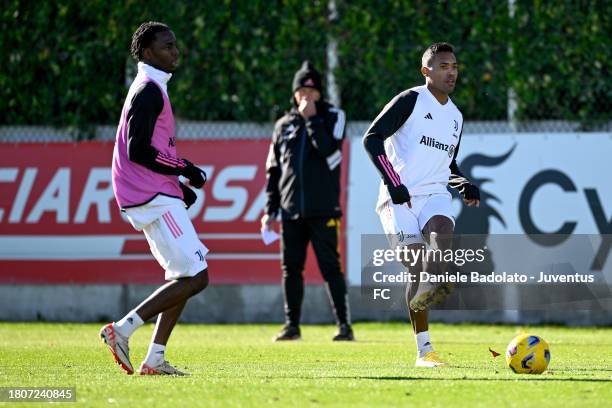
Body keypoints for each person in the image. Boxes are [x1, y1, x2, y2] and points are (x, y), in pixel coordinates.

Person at [100, 21, 209, 376]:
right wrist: (185, 169)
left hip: (152, 192)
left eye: (175, 45)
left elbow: (147, 150)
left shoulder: (151, 86)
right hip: (150, 194)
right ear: (147, 53)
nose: (174, 52)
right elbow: (139, 150)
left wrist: (179, 185)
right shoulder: (148, 89)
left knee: (183, 276)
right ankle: (123, 328)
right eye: (166, 46)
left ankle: (155, 359)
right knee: (197, 276)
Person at [362, 43, 480, 367]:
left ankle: (437, 278)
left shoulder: (456, 116)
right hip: (397, 200)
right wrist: (392, 182)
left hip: (434, 195)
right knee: (416, 267)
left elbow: (448, 165)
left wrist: (463, 184)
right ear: (426, 71)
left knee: (443, 229)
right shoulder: (411, 101)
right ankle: (424, 350)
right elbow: (371, 138)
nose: (451, 71)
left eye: (454, 65)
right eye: (443, 66)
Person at [262, 60, 353, 341]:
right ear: (294, 94)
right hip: (291, 212)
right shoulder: (283, 126)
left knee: (330, 268)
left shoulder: (334, 117)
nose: (307, 96)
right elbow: (273, 171)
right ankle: (292, 326)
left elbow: (331, 153)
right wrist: (270, 210)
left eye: (312, 92)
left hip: (324, 209)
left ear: (320, 94)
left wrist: (312, 119)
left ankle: (344, 327)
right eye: (302, 91)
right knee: (291, 269)